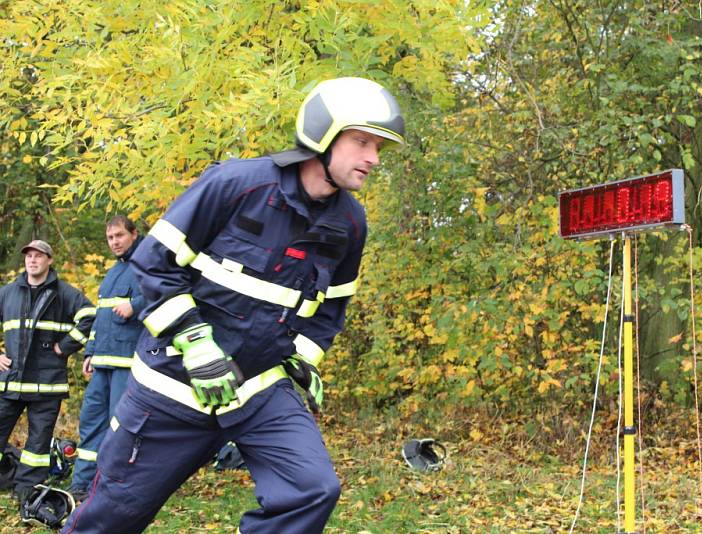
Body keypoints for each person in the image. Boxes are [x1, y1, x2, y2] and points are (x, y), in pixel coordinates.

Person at [62, 76, 405, 534]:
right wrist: (195, 343)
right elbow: (155, 264)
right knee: (109, 520)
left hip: (259, 392)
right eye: (362, 142)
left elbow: (332, 309)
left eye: (379, 146)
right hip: (173, 388)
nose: (373, 158)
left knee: (311, 489)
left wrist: (301, 361)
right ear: (322, 134)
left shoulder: (349, 223)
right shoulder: (236, 184)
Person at [0, 240, 95, 502]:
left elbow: (90, 316)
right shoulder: (7, 293)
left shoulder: (64, 293)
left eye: (38, 256)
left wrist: (64, 347)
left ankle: (26, 491)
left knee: (38, 445)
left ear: (49, 260)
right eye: (29, 256)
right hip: (11, 382)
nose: (32, 260)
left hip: (47, 383)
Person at [68, 216, 144, 501]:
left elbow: (167, 293)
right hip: (102, 362)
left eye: (119, 236)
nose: (114, 242)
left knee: (119, 426)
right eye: (110, 238)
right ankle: (83, 483)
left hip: (128, 362)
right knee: (90, 422)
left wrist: (135, 306)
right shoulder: (114, 272)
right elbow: (100, 317)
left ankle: (116, 484)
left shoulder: (146, 265)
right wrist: (90, 352)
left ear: (134, 234)